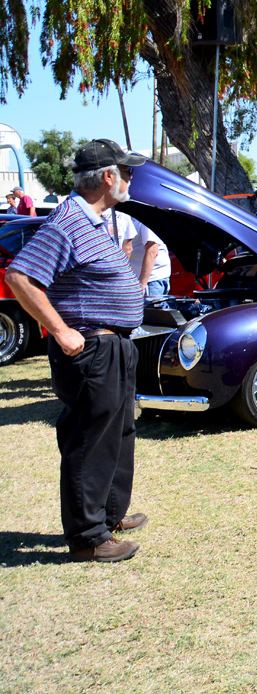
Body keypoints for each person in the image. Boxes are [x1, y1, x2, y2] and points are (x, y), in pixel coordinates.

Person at [4, 139, 148, 563]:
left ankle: (109, 515)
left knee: (119, 433)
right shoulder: (67, 223)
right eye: (127, 172)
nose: (130, 180)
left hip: (114, 346)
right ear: (108, 177)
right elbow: (20, 278)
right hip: (91, 350)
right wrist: (61, 331)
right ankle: (88, 536)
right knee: (89, 439)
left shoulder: (97, 221)